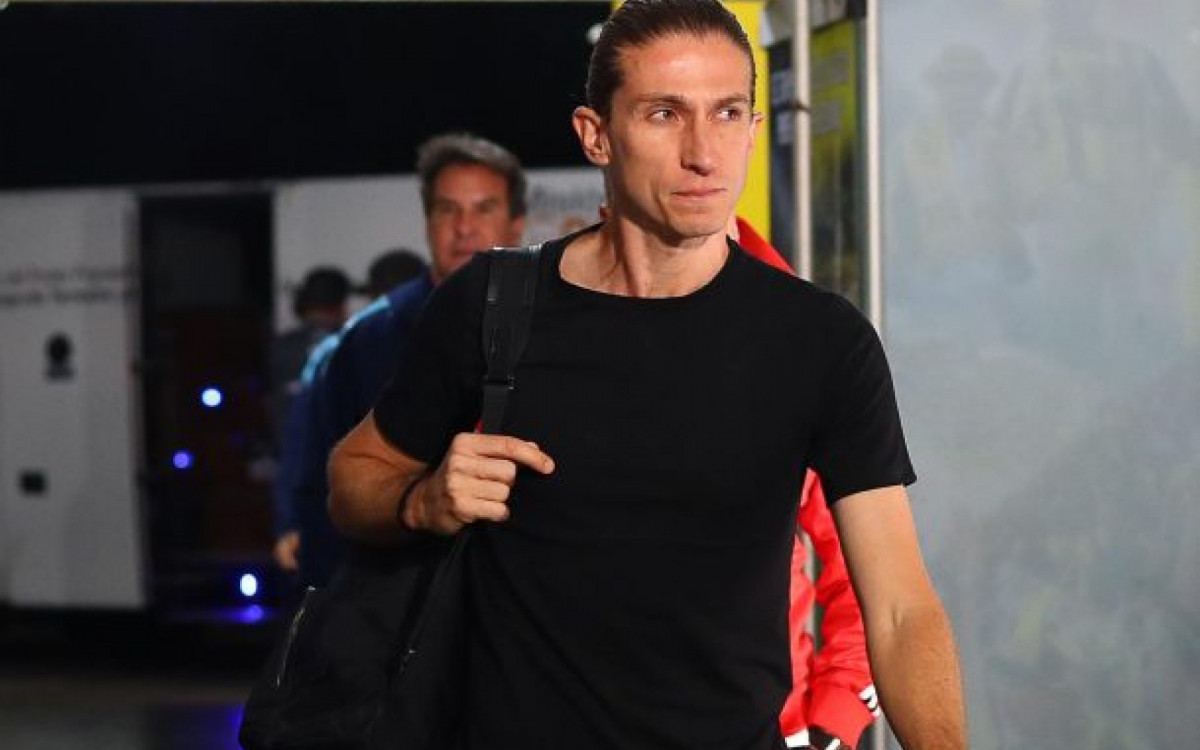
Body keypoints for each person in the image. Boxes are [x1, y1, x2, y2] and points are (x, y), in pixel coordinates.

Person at [329, 2, 967, 748]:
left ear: (754, 130)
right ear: (595, 135)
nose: (704, 152)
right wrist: (421, 500)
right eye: (665, 114)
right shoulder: (494, 305)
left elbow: (898, 611)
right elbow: (352, 479)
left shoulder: (821, 340)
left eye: (727, 113)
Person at [275, 134, 528, 586]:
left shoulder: (551, 323)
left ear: (516, 224)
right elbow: (320, 479)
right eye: (448, 209)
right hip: (397, 591)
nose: (464, 227)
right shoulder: (365, 339)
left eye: (483, 209)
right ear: (428, 221)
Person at [272, 248, 428, 577]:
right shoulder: (347, 348)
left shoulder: (341, 347)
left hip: (363, 522)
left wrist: (291, 522)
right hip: (382, 524)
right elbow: (304, 440)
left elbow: (298, 443)